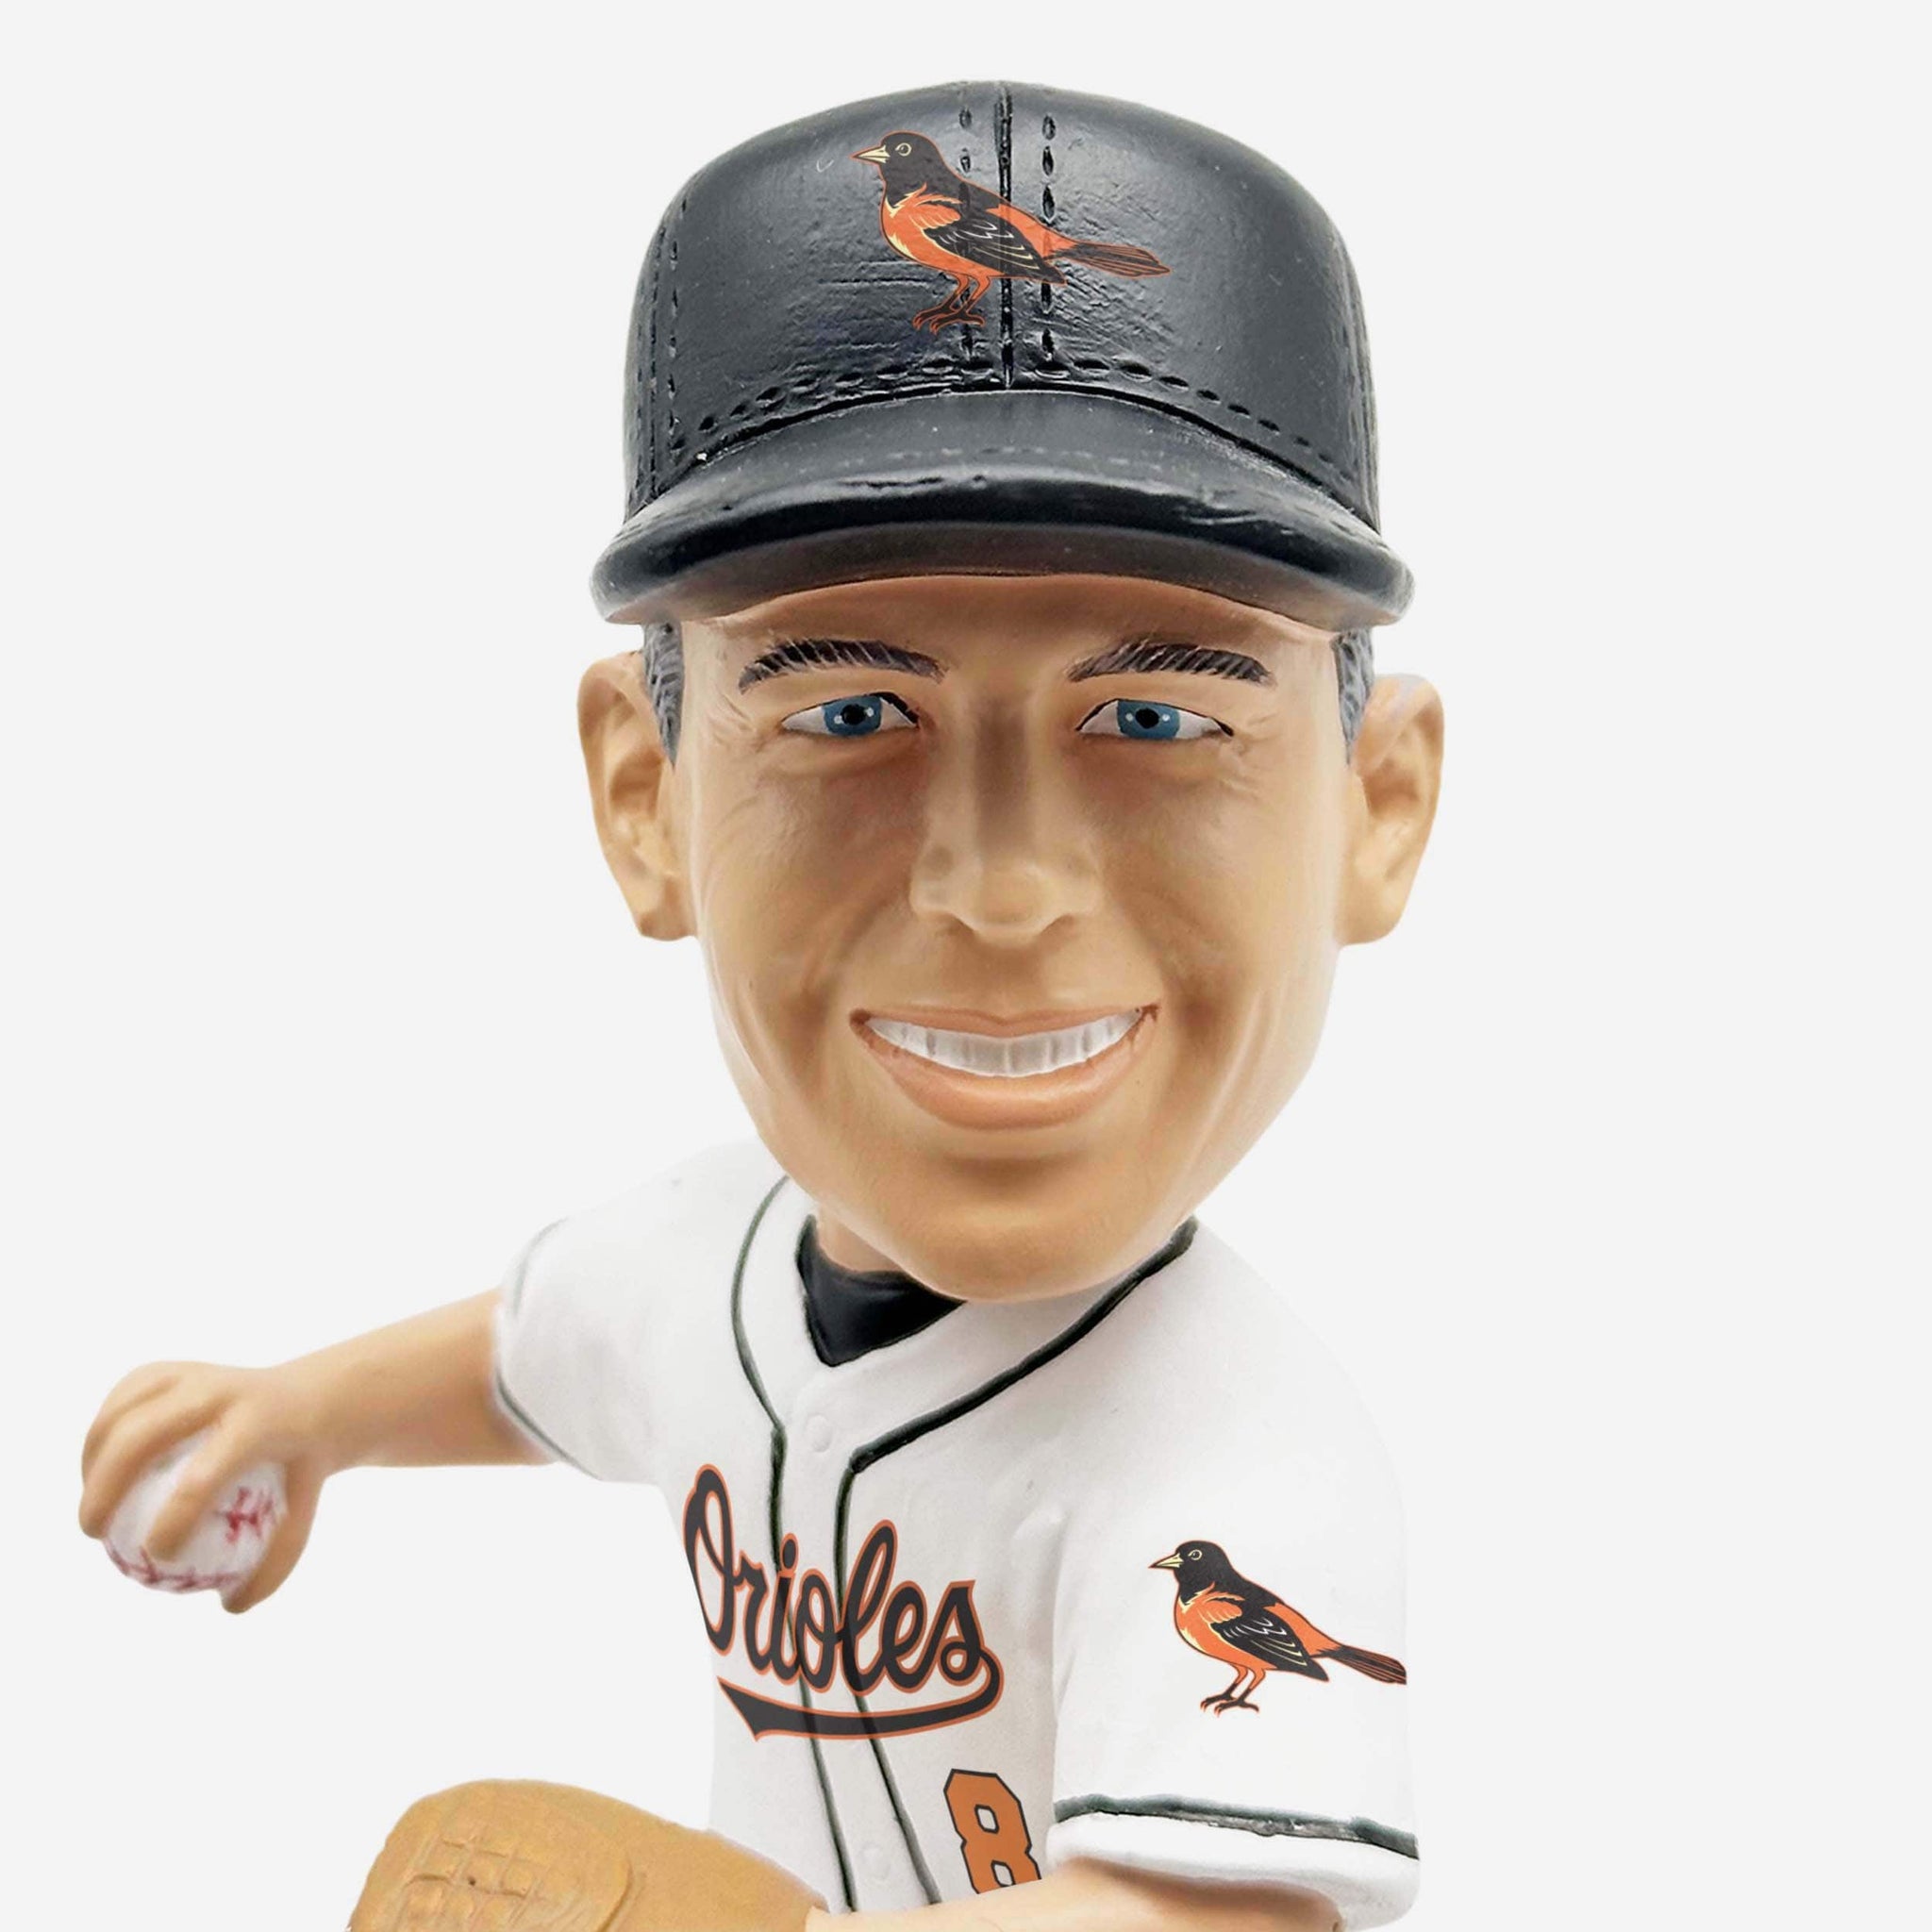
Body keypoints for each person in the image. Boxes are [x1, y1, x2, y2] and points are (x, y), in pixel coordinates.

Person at [79, 84, 1443, 1932]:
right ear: (645, 798)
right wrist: (295, 1414)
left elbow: (1216, 1917)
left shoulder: (1236, 1452)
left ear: (1377, 809)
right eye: (852, 715)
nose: (1002, 885)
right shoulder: (702, 1256)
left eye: (1154, 719)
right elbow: (532, 1354)